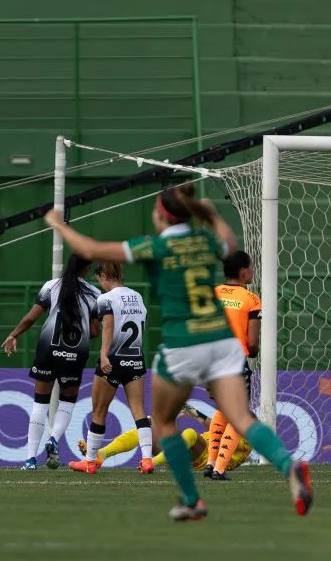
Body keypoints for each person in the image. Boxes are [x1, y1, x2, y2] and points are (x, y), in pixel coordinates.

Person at [44, 182, 311, 521]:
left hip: (184, 344)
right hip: (223, 340)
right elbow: (229, 243)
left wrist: (57, 223)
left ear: (161, 216)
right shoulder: (203, 240)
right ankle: (290, 466)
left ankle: (192, 499)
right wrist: (210, 213)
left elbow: (92, 248)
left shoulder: (155, 246)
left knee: (166, 420)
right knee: (241, 418)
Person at [3, 253, 100, 470]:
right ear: (87, 268)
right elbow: (94, 330)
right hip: (74, 353)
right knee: (67, 403)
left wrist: (13, 335)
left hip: (48, 351)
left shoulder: (51, 286)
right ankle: (54, 438)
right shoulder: (94, 293)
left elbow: (30, 318)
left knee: (40, 403)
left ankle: (29, 460)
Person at [69, 261, 152, 475]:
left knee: (99, 411)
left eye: (99, 280)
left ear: (104, 276)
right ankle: (147, 459)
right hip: (135, 357)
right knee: (139, 411)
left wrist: (103, 353)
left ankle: (89, 462)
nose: (101, 285)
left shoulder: (106, 298)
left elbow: (108, 324)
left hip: (113, 359)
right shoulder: (137, 296)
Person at [203, 251, 262, 480]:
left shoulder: (213, 294)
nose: (253, 272)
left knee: (223, 410)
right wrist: (253, 352)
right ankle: (219, 468)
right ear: (243, 271)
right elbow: (253, 342)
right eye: (252, 268)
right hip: (234, 361)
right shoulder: (251, 299)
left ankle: (209, 464)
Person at [83, 405, 252, 473]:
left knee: (191, 434)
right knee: (147, 427)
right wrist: (194, 413)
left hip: (202, 458)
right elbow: (216, 428)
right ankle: (102, 454)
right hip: (181, 453)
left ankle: (152, 462)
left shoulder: (244, 440)